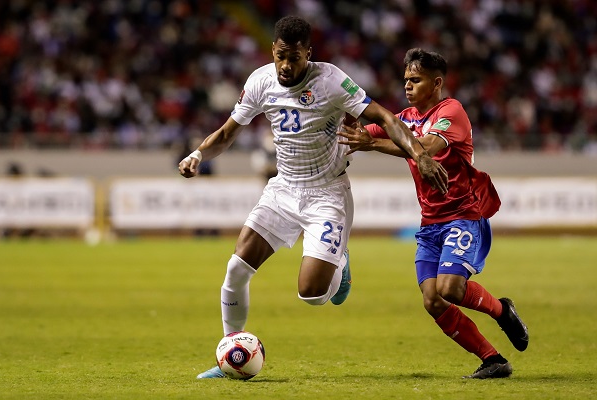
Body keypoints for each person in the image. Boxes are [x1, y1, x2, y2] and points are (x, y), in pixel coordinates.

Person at [178, 18, 448, 379]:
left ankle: (341, 262)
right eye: (280, 57)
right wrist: (198, 154)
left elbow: (384, 116)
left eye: (294, 58)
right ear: (273, 51)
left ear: (309, 53)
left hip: (327, 194)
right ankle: (231, 352)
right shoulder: (260, 81)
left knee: (313, 294)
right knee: (235, 270)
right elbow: (227, 133)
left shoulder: (331, 80)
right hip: (283, 188)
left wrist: (419, 154)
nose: (286, 66)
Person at [338, 48, 529, 379]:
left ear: (437, 82)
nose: (408, 86)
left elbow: (423, 147)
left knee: (450, 288)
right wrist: (351, 131)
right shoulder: (407, 117)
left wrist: (372, 144)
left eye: (416, 79)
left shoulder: (451, 112)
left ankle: (502, 310)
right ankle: (493, 360)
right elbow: (375, 132)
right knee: (432, 300)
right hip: (430, 223)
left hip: (463, 214)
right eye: (406, 80)